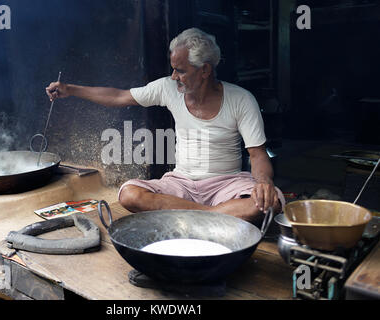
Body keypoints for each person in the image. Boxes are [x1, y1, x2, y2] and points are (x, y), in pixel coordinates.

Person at [46, 28, 285, 225]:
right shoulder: (168, 89)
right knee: (129, 194)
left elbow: (257, 154)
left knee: (271, 200)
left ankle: (192, 214)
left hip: (227, 184)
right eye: (173, 68)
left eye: (180, 70)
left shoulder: (241, 99)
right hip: (181, 184)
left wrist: (264, 182)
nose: (173, 76)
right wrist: (70, 89)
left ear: (205, 70)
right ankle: (215, 216)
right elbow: (119, 96)